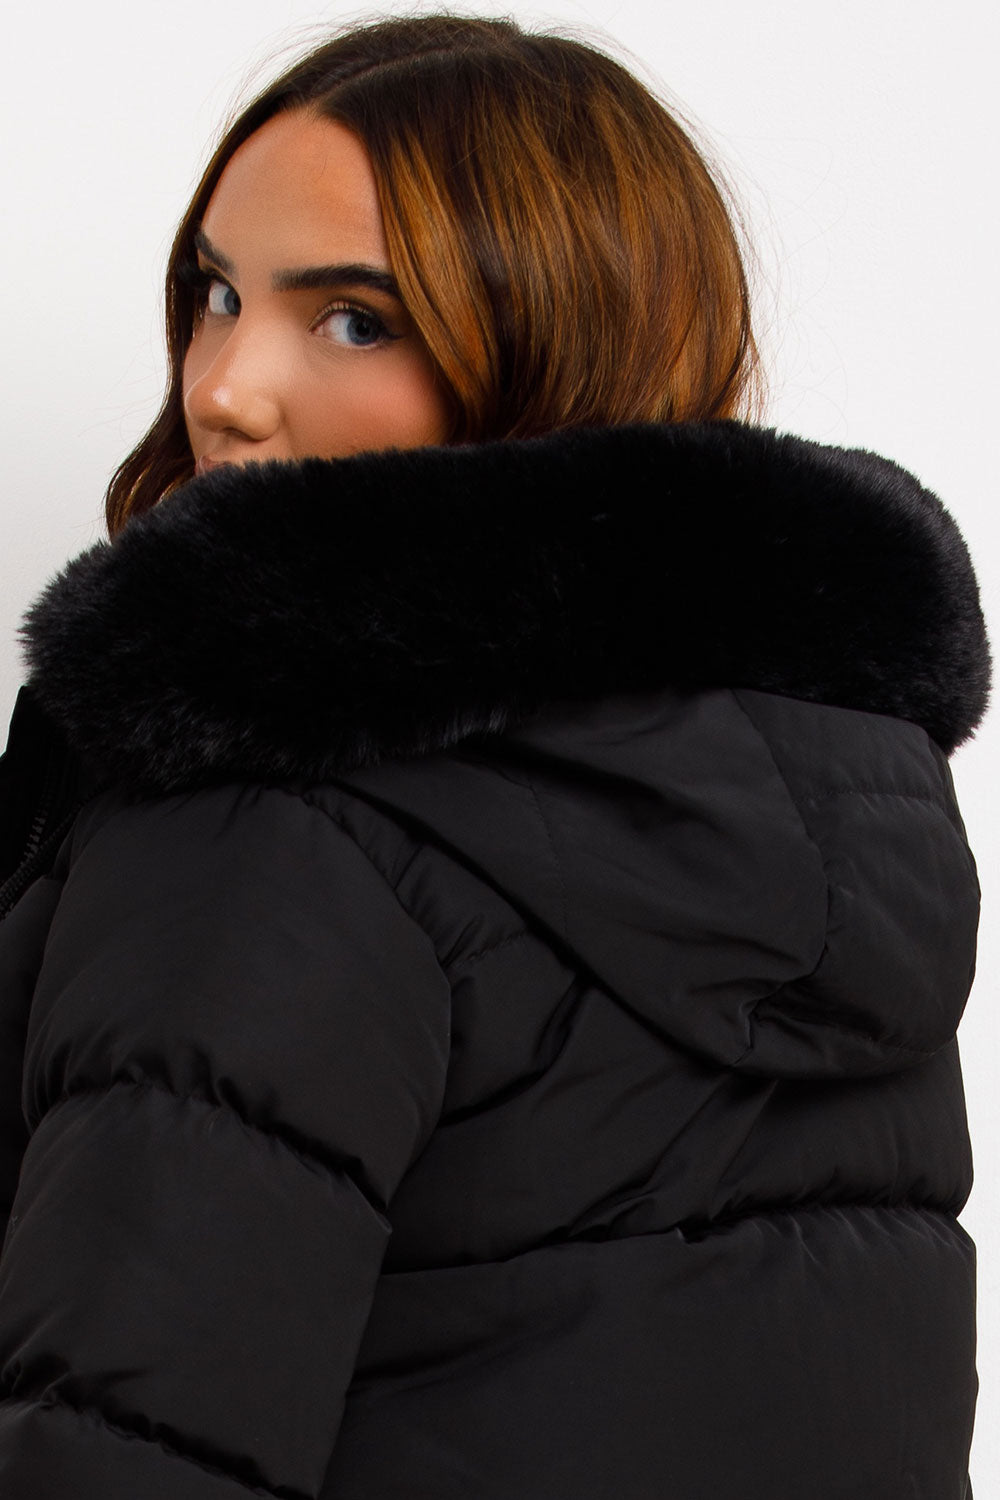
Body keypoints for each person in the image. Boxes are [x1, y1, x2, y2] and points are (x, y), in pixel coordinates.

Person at [0, 12, 990, 1497]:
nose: (224, 388)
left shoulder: (275, 813)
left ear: (555, 347)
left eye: (355, 320)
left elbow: (122, 1455)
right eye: (216, 293)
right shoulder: (834, 811)